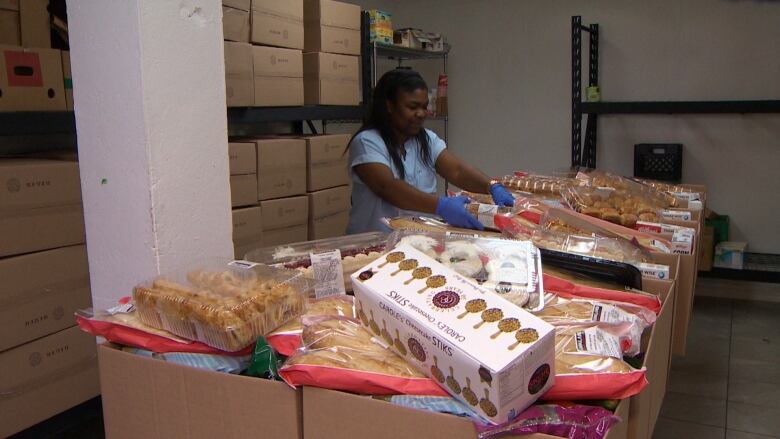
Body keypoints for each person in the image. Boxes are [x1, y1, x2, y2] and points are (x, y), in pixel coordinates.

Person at [345, 68, 514, 234]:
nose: (421, 114)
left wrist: (491, 186)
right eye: (412, 107)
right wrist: (441, 206)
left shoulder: (426, 139)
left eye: (424, 107)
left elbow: (457, 171)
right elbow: (388, 187)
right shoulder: (367, 142)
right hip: (374, 246)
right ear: (390, 106)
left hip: (416, 242)